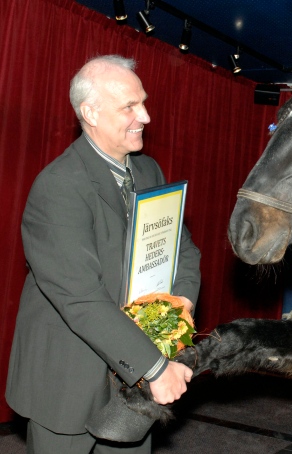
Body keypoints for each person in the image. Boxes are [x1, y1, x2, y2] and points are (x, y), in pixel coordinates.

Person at [6, 55, 201, 453]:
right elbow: (80, 297)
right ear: (90, 112)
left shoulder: (149, 172)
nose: (144, 116)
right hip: (68, 378)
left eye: (143, 103)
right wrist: (155, 368)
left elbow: (183, 252)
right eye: (129, 106)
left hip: (133, 381)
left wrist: (176, 309)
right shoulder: (59, 186)